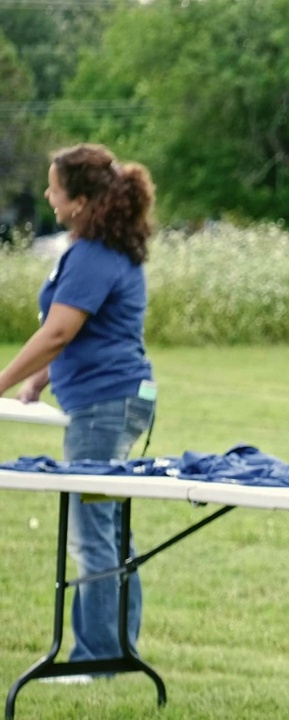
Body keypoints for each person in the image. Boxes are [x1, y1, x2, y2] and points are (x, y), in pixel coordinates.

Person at [0, 143, 158, 682]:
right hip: (115, 400)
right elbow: (85, 329)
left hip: (105, 407)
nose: (48, 195)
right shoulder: (102, 249)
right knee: (108, 527)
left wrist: (3, 380)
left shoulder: (92, 255)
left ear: (82, 200)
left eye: (56, 189)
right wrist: (41, 379)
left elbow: (59, 330)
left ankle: (98, 662)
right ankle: (114, 652)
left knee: (94, 530)